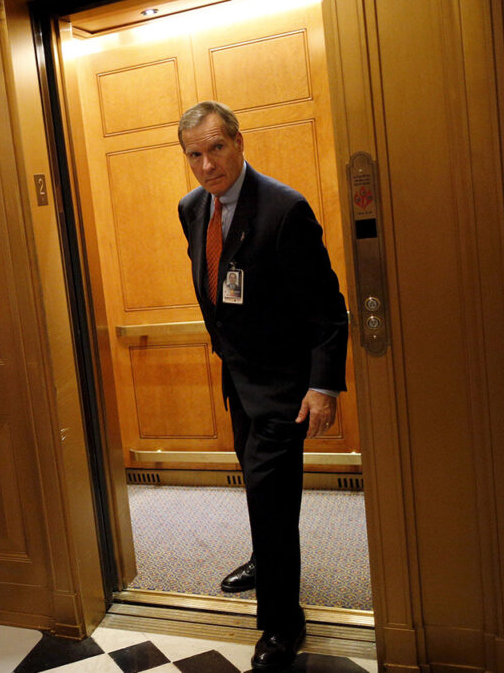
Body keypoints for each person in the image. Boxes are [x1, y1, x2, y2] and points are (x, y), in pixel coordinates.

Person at [175, 101, 348, 670]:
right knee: (258, 488)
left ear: (239, 142)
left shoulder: (284, 208)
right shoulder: (192, 208)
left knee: (274, 499)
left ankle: (281, 627)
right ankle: (265, 558)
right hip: (239, 379)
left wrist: (322, 386)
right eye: (195, 154)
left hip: (283, 387)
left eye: (216, 148)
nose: (207, 165)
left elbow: (328, 310)